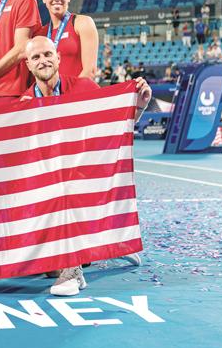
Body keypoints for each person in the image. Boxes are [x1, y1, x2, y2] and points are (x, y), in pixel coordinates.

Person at [19, 36, 151, 296]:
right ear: (27, 64)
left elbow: (114, 125)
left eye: (47, 54)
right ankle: (112, 245)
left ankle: (74, 270)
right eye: (36, 57)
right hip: (49, 182)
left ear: (58, 57)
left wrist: (140, 106)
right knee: (47, 268)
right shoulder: (23, 104)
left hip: (86, 174)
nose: (43, 60)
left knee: (65, 191)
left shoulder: (84, 87)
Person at [35, 0, 97, 79]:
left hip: (81, 93)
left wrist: (68, 95)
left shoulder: (82, 23)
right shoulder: (41, 34)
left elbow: (89, 72)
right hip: (53, 95)